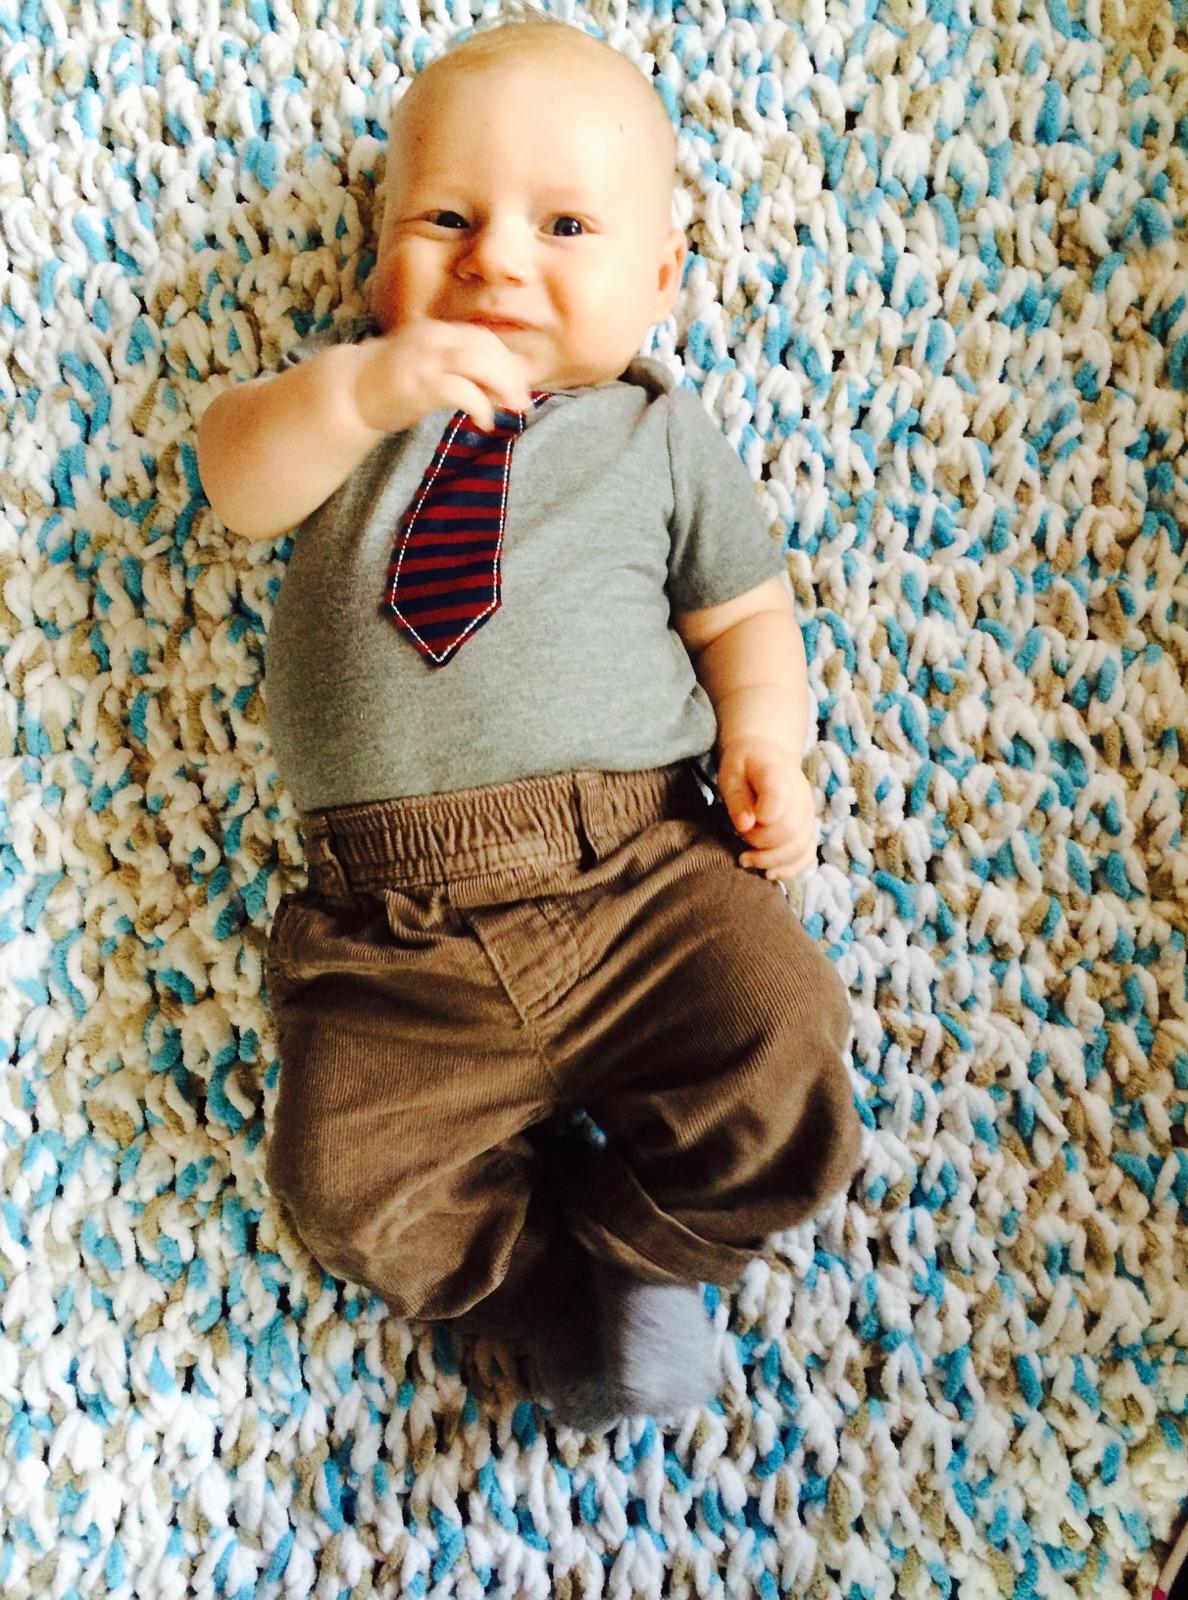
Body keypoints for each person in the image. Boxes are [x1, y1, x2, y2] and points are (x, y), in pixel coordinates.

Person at [196, 13, 860, 1430]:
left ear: (658, 276)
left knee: (783, 1040)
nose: (495, 259)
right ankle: (556, 1289)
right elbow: (235, 481)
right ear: (375, 256)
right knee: (341, 1183)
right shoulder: (354, 406)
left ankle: (656, 1250)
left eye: (564, 226)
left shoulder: (656, 432)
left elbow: (744, 615)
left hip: (639, 871)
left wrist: (765, 738)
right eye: (445, 218)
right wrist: (360, 388)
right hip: (391, 939)